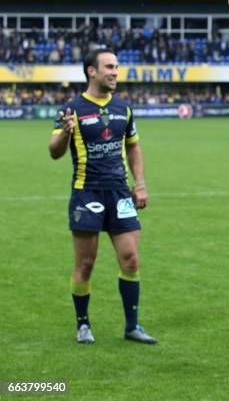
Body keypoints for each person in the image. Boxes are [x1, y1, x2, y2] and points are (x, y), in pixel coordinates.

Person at [48, 48, 157, 345]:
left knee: (131, 260)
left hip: (120, 192)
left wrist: (140, 183)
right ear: (91, 71)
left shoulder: (124, 107)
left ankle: (132, 326)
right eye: (109, 67)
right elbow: (54, 151)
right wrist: (65, 134)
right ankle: (83, 324)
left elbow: (133, 146)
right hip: (87, 192)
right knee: (85, 264)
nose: (115, 72)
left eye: (117, 67)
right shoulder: (71, 108)